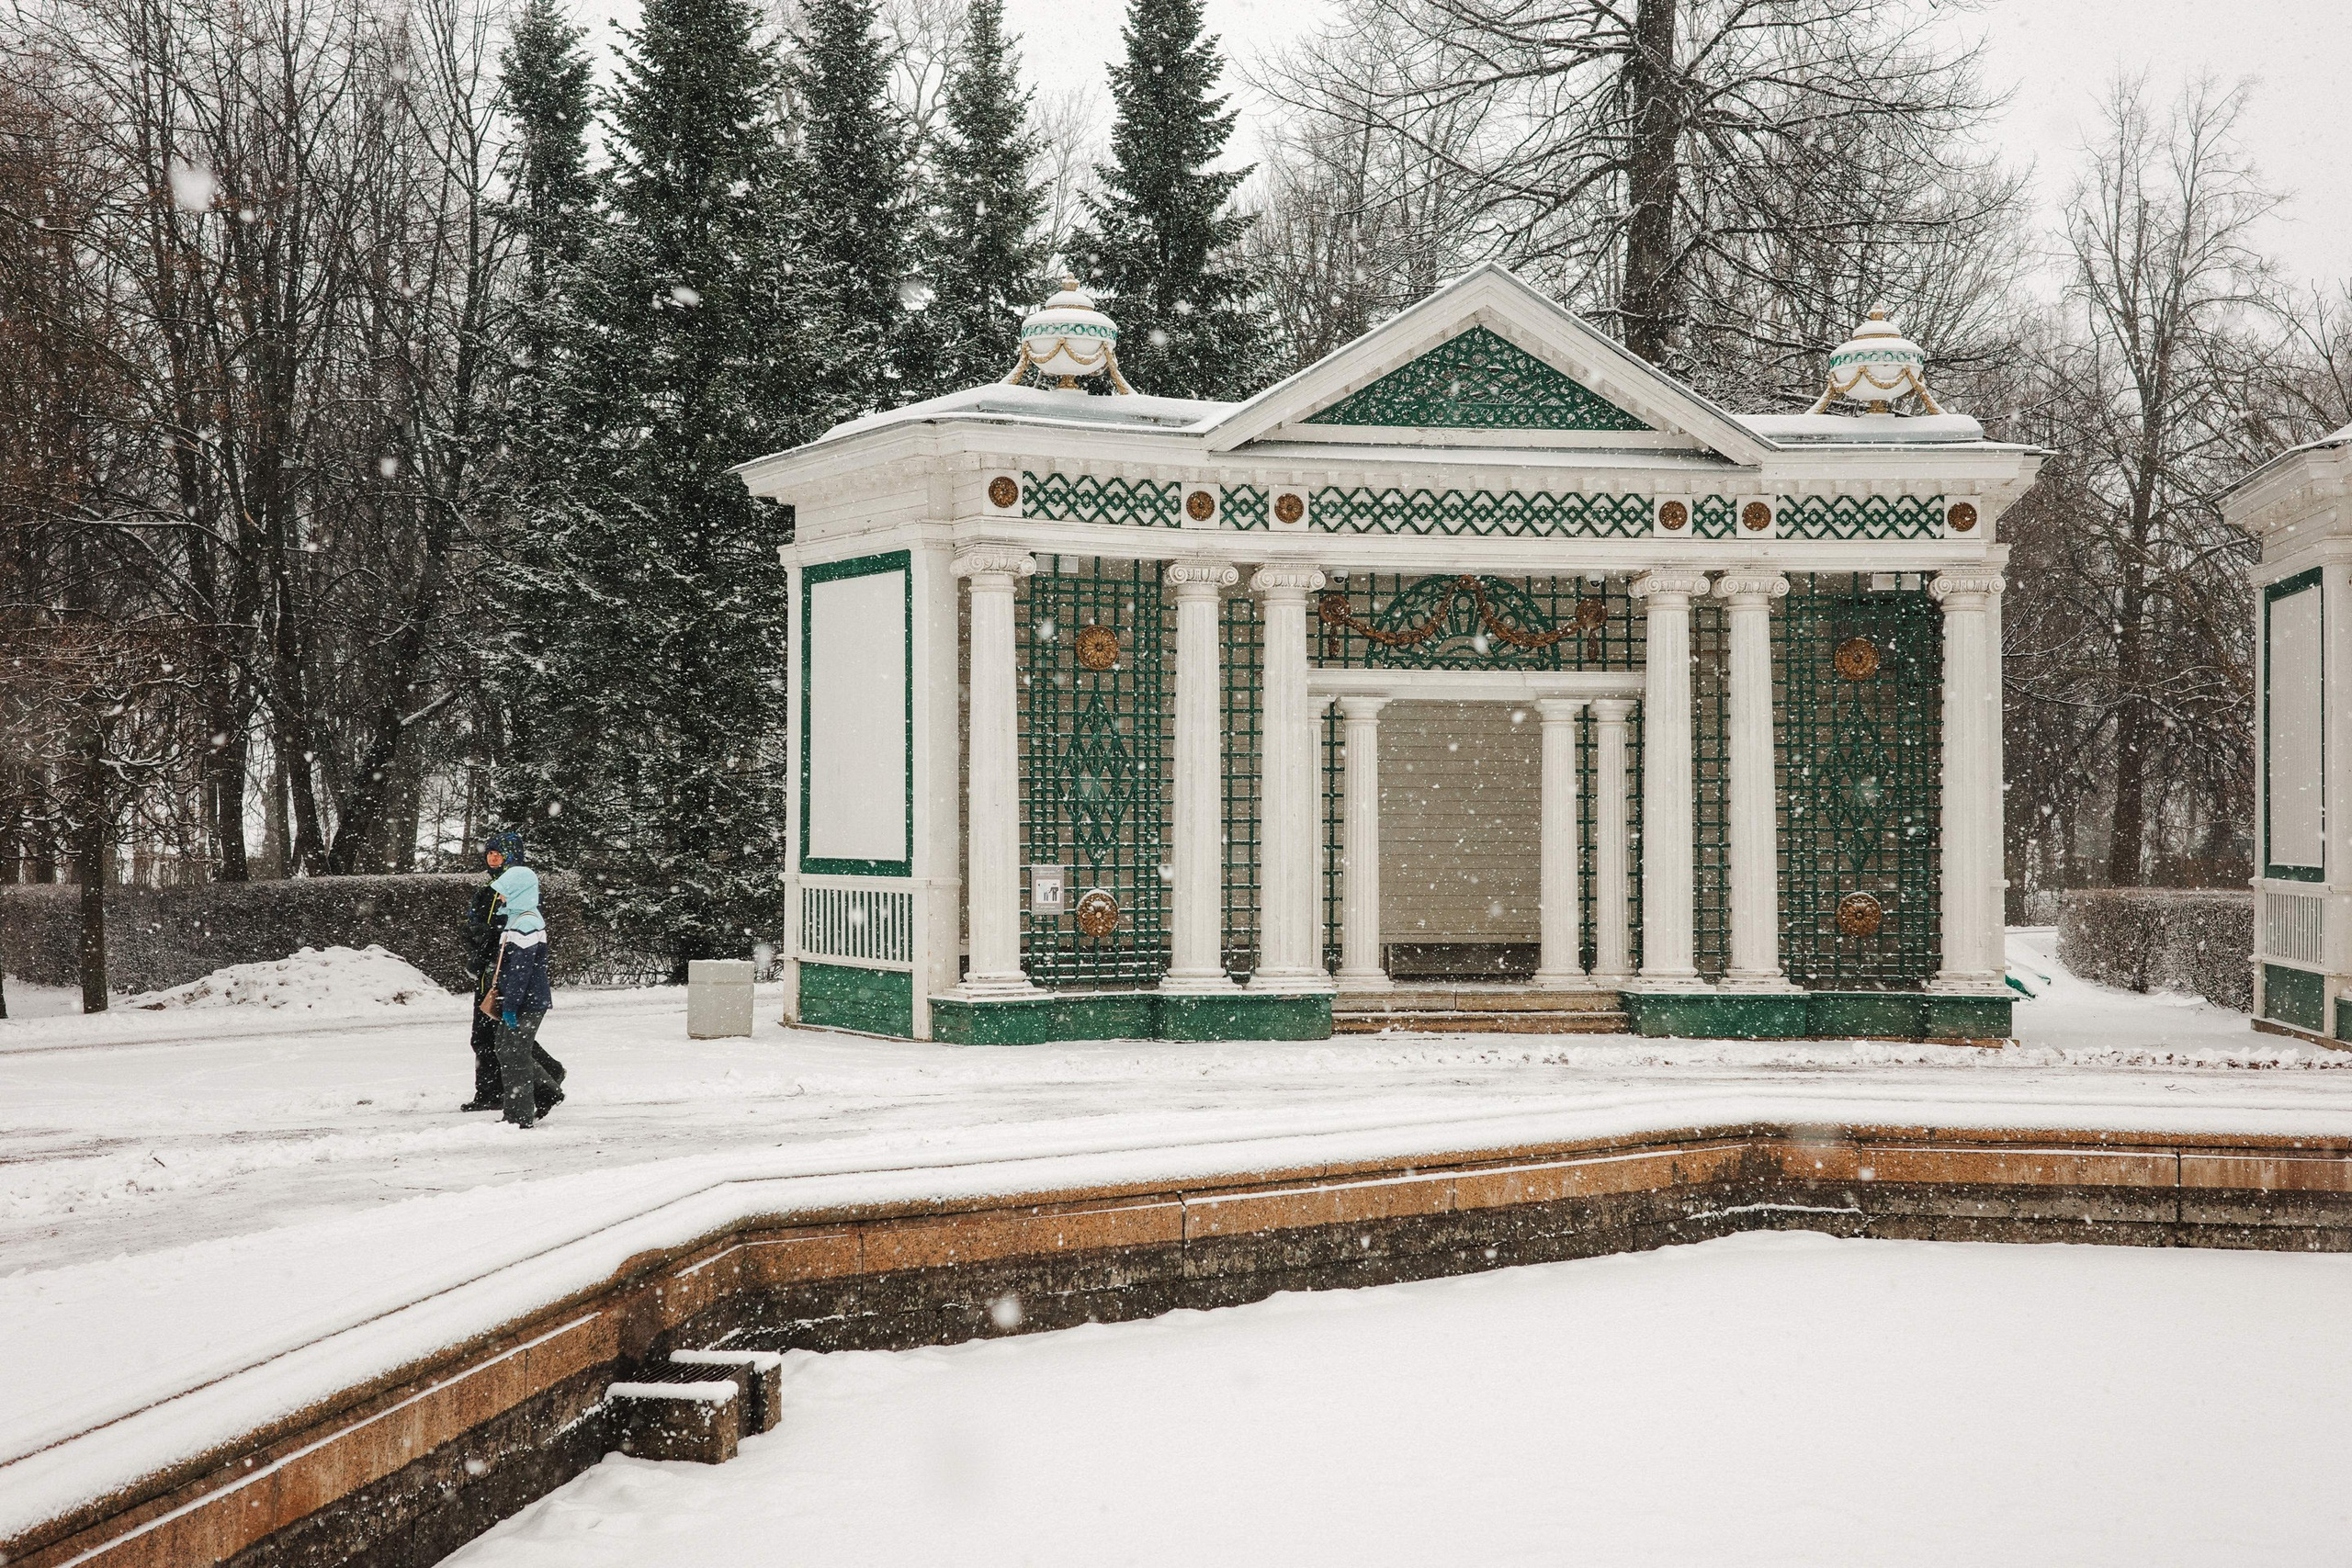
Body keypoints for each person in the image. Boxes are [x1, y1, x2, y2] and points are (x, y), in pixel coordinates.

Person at [469, 830, 566, 1125]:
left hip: (522, 996)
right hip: (505, 986)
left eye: (499, 854)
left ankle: (523, 1106)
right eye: (489, 853)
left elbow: (521, 969)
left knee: (511, 1049)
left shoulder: (524, 916)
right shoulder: (513, 910)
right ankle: (533, 1093)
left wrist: (509, 1003)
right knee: (503, 1046)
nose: (492, 858)